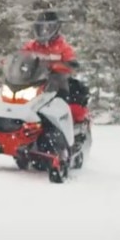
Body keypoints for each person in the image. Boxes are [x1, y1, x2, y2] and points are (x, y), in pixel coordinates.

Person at [22, 10, 90, 148]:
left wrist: (67, 63)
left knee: (61, 100)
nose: (44, 31)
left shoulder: (62, 46)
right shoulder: (32, 45)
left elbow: (71, 59)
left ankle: (63, 132)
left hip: (56, 82)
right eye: (40, 28)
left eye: (47, 28)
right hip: (34, 82)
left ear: (56, 29)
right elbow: (22, 56)